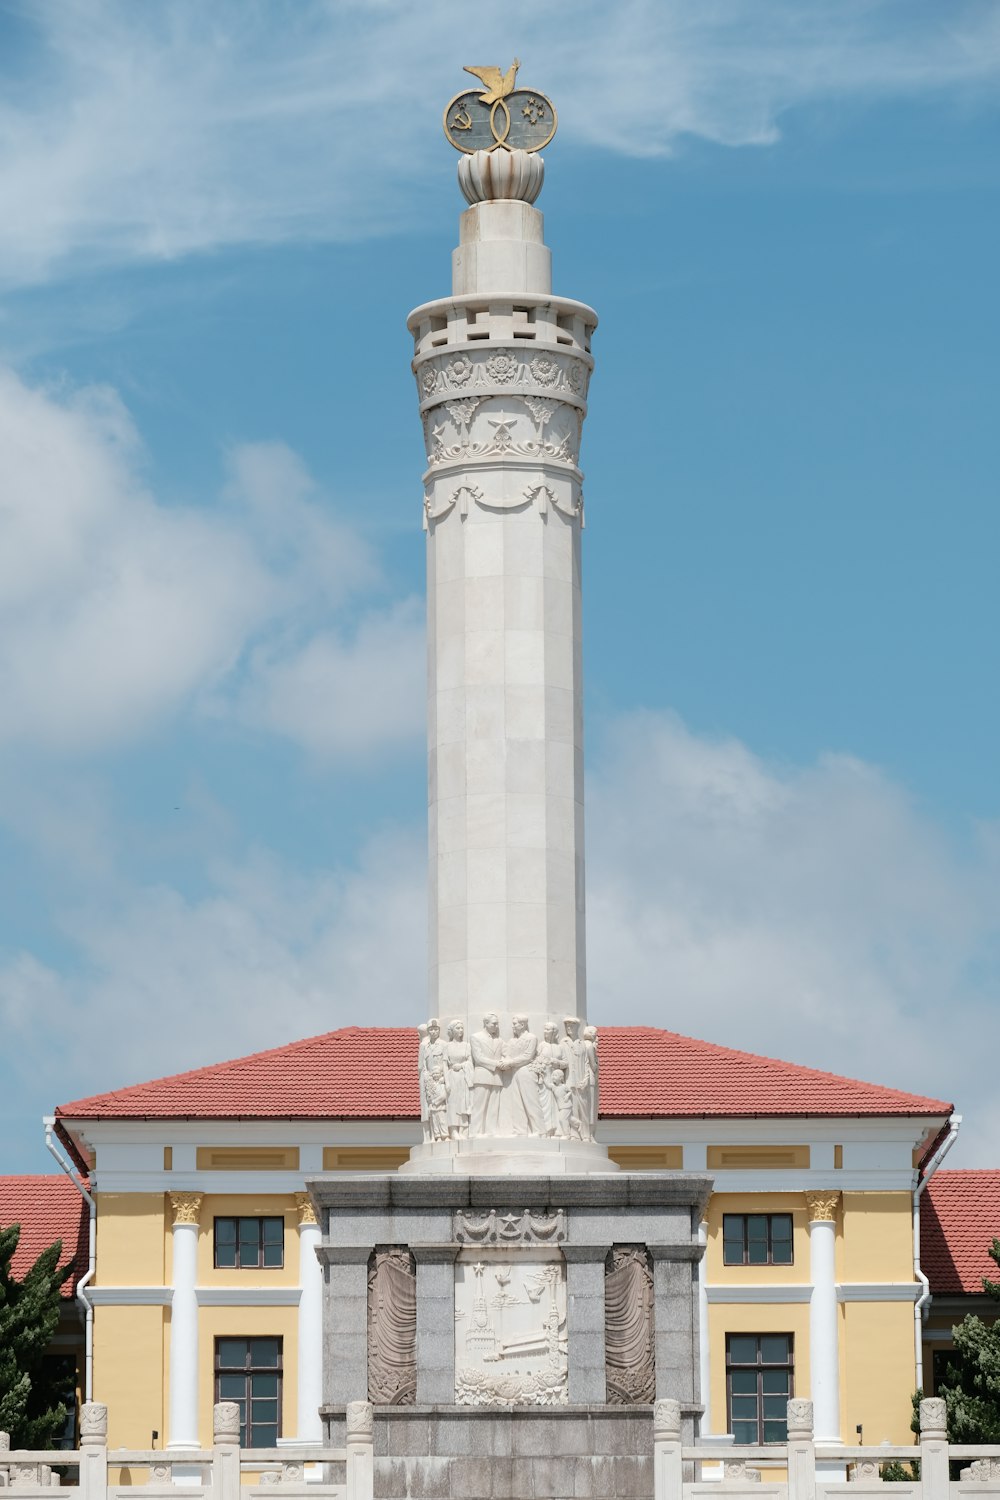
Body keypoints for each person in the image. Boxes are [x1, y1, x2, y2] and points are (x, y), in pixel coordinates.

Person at [504, 1014, 544, 1136]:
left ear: (522, 1025)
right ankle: (520, 1130)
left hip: (526, 1071)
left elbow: (528, 1056)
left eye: (515, 1023)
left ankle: (539, 1129)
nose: (513, 1026)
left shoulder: (531, 1038)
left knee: (531, 1101)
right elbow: (507, 1054)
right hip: (514, 1072)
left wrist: (510, 1062)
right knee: (517, 1102)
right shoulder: (512, 1041)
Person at [470, 1012, 505, 1137]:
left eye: (497, 1024)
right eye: (494, 1023)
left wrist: (507, 1062)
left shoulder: (499, 1040)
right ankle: (475, 1131)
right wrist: (496, 1064)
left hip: (496, 1077)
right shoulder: (476, 1037)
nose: (496, 1026)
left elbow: (506, 1054)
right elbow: (478, 1058)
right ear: (486, 1023)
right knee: (479, 1105)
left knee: (493, 1106)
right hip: (483, 1074)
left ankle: (491, 1131)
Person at [534, 1020, 567, 1136]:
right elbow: (535, 1060)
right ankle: (545, 1128)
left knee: (557, 1104)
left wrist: (557, 1062)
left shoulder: (560, 1047)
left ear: (554, 1032)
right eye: (545, 1029)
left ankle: (558, 1129)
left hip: (557, 1082)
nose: (545, 1032)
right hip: (544, 1080)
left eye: (548, 1030)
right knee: (545, 1105)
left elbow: (565, 1063)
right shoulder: (542, 1045)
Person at [562, 1016, 591, 1142]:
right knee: (572, 1110)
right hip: (569, 1081)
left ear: (577, 1028)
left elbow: (587, 1064)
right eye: (567, 1026)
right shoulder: (564, 1043)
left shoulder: (582, 1044)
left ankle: (586, 1134)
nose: (569, 1028)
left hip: (581, 1082)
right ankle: (574, 1134)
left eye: (571, 1026)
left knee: (583, 1110)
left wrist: (586, 1079)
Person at [444, 1018, 472, 1139]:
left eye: (462, 1028)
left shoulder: (467, 1046)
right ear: (452, 1030)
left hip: (464, 1076)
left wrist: (462, 1065)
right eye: (458, 1028)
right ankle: (453, 1130)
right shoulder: (447, 1046)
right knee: (452, 1104)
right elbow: (444, 1064)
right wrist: (446, 1082)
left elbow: (470, 1062)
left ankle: (464, 1130)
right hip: (452, 1077)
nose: (460, 1030)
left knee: (464, 1103)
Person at [582, 1024, 599, 1139]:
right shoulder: (589, 1046)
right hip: (591, 1078)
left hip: (584, 1076)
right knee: (591, 1106)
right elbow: (593, 1065)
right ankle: (590, 1133)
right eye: (595, 1033)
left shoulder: (582, 1044)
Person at [425, 1060, 449, 1141]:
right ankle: (437, 1136)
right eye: (434, 1074)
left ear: (441, 1074)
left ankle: (445, 1136)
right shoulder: (431, 1086)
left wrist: (435, 1102)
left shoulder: (442, 1084)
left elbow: (444, 1095)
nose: (435, 1075)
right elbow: (429, 1097)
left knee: (442, 1121)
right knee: (435, 1123)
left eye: (437, 1073)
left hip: (441, 1106)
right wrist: (431, 1101)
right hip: (433, 1108)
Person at [551, 1066, 576, 1140]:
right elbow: (547, 1084)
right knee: (569, 1118)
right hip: (561, 1107)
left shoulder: (564, 1086)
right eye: (552, 1075)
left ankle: (567, 1134)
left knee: (562, 1119)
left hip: (566, 1106)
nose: (553, 1077)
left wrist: (567, 1096)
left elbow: (570, 1091)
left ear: (561, 1078)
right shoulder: (554, 1087)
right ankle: (578, 1124)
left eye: (555, 1075)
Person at [416, 1022, 430, 1142]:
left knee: (425, 1110)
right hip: (431, 1078)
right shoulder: (431, 1044)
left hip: (424, 1079)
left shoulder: (423, 1044)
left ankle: (427, 1137)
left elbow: (420, 1066)